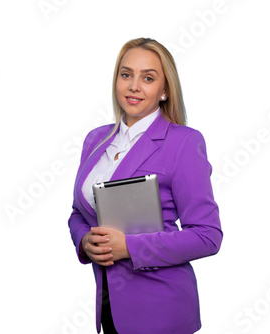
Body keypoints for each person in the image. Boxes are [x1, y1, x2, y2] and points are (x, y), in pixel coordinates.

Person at [67, 37, 223, 333]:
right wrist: (84, 242)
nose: (134, 86)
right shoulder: (95, 139)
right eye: (126, 74)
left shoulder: (184, 143)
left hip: (162, 311)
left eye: (148, 78)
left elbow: (207, 236)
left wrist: (128, 247)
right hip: (109, 309)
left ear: (165, 90)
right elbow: (79, 212)